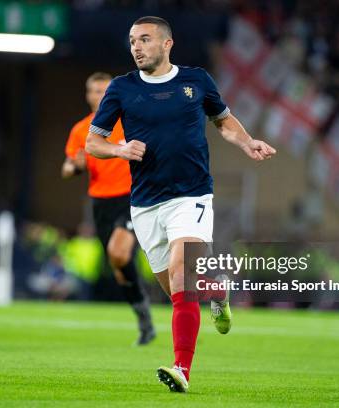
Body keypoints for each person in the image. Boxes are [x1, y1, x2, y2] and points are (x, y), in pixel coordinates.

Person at [85, 16, 276, 392]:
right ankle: (217, 291)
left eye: (144, 39)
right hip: (145, 205)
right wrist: (119, 149)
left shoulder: (196, 80)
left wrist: (247, 141)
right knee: (176, 290)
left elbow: (222, 120)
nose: (136, 47)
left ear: (167, 44)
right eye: (132, 41)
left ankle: (181, 370)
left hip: (191, 196)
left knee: (181, 277)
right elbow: (94, 142)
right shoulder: (122, 89)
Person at [61, 72, 156, 345]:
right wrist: (75, 166)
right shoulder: (81, 130)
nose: (98, 96)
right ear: (87, 95)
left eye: (104, 91)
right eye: (93, 91)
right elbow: (67, 166)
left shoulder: (130, 120)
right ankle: (144, 318)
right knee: (118, 266)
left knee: (118, 251)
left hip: (133, 196)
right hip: (101, 202)